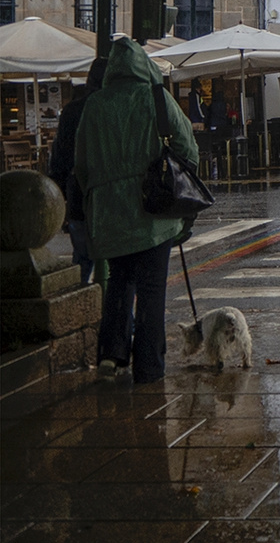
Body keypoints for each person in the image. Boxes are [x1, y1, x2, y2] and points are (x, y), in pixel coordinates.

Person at [75, 38, 198, 384]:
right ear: (144, 66)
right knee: (151, 289)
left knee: (118, 281)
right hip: (153, 214)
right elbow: (188, 148)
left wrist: (97, 197)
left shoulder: (95, 104)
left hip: (110, 214)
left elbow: (81, 165)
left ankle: (111, 354)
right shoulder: (157, 97)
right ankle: (149, 365)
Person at [48, 57, 107, 285]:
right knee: (117, 271)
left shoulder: (72, 112)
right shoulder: (113, 110)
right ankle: (121, 320)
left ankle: (80, 311)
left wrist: (60, 195)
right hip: (110, 201)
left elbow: (60, 160)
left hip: (78, 198)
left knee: (82, 261)